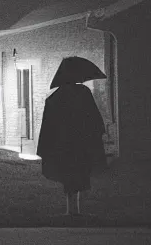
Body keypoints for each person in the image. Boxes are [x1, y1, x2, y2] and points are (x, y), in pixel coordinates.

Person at [37, 66, 107, 217]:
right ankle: (82, 209)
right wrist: (98, 133)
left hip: (64, 144)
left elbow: (48, 124)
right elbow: (93, 117)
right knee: (82, 173)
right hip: (82, 142)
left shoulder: (54, 98)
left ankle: (70, 210)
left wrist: (47, 145)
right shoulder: (84, 93)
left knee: (68, 176)